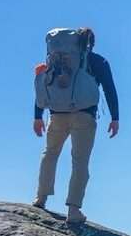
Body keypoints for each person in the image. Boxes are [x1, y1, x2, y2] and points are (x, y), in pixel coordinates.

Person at [32, 27, 119, 223]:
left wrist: (37, 115)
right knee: (80, 162)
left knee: (50, 153)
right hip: (84, 116)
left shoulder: (56, 60)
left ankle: (40, 198)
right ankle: (73, 210)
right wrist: (115, 117)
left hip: (57, 115)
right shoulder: (98, 61)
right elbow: (109, 88)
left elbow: (45, 85)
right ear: (90, 43)